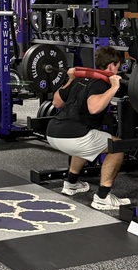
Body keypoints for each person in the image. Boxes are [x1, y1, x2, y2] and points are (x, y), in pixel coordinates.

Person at [46, 45, 129, 212]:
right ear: (111, 66)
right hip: (74, 136)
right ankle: (103, 198)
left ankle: (71, 183)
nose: (117, 71)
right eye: (118, 67)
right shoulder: (100, 83)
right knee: (118, 146)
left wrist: (70, 79)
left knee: (89, 140)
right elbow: (94, 108)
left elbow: (56, 103)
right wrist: (114, 87)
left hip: (53, 132)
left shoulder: (79, 79)